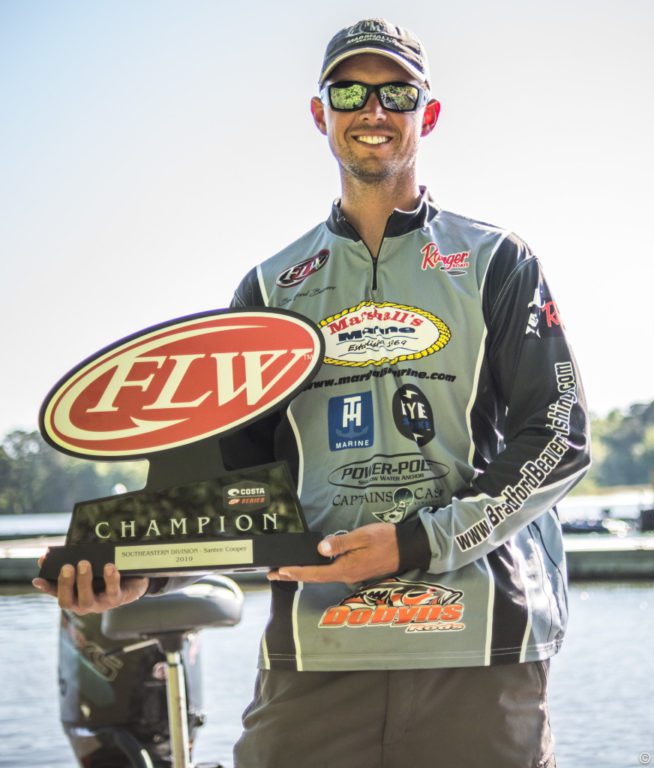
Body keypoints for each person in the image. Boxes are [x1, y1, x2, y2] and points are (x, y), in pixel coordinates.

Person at [35, 18, 591, 768]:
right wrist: (134, 566)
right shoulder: (268, 290)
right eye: (349, 91)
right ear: (320, 112)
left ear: (426, 113)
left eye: (396, 92)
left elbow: (559, 435)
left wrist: (418, 541)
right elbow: (226, 481)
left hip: (478, 648)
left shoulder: (497, 261)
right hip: (319, 651)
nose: (373, 109)